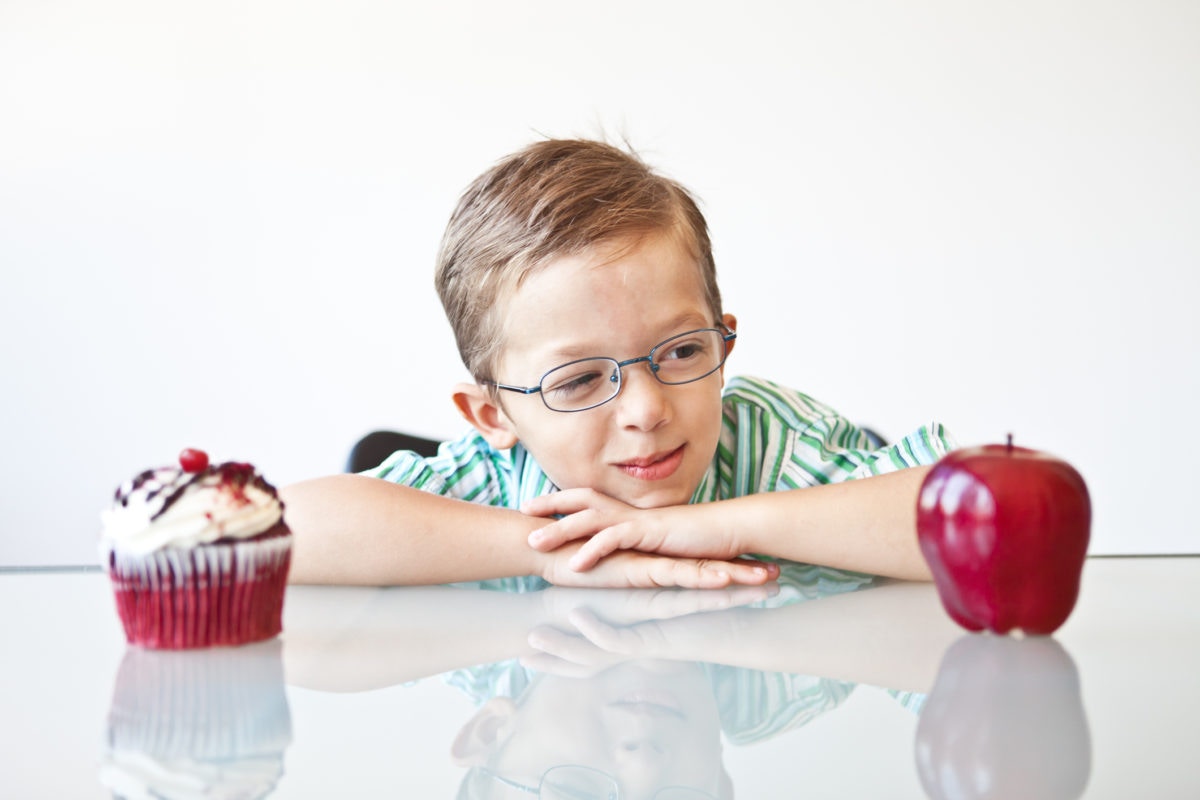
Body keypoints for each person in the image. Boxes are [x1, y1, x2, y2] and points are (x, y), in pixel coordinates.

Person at [282, 138, 955, 589]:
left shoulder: (770, 446)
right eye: (577, 380)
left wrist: (715, 526)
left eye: (683, 350)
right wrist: (558, 556)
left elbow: (982, 527)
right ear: (492, 415)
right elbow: (279, 531)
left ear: (724, 349)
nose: (646, 410)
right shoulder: (495, 480)